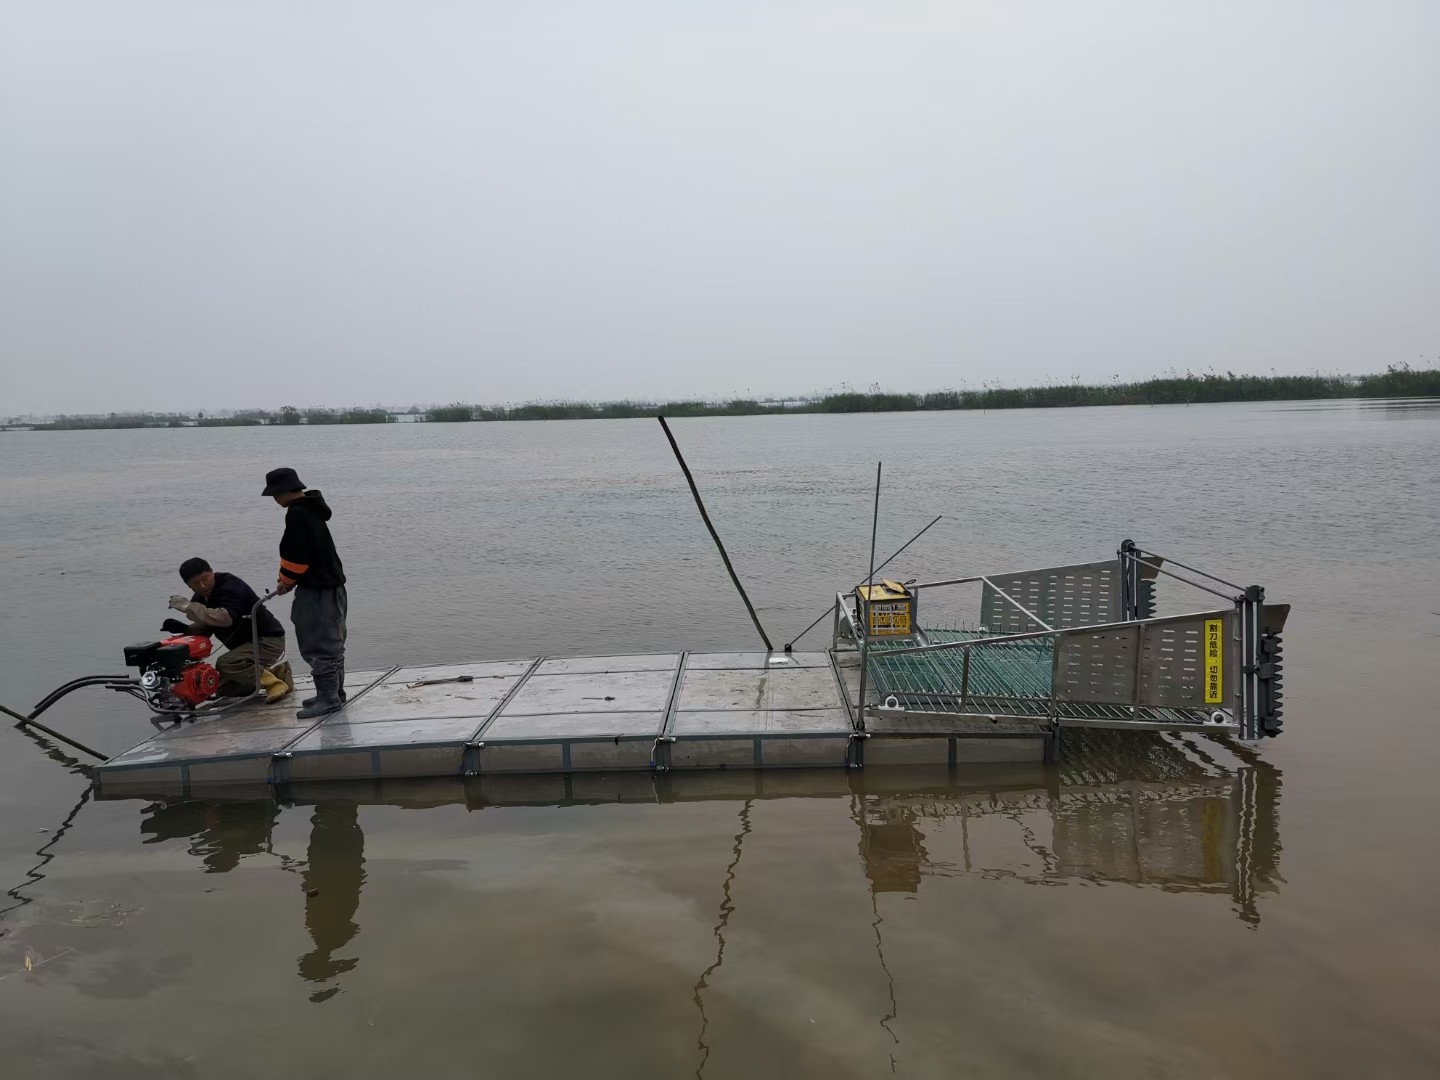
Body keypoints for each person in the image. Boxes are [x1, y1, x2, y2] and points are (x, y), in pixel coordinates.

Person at [262, 467, 348, 719]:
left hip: (316, 590)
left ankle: (329, 700)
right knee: (333, 643)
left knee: (317, 643)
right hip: (334, 587)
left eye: (275, 495)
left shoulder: (297, 514)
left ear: (284, 491)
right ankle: (334, 693)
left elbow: (296, 555)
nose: (274, 500)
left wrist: (285, 581)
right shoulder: (313, 509)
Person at [165, 557, 293, 700]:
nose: (203, 585)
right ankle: (275, 671)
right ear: (189, 586)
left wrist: (188, 607)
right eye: (196, 583)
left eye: (205, 579)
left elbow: (224, 619)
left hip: (267, 640)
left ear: (212, 572)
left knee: (226, 663)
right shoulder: (201, 598)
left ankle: (274, 684)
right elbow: (207, 627)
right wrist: (185, 629)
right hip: (247, 649)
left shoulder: (230, 586)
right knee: (224, 690)